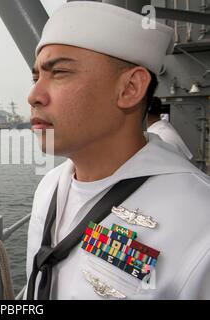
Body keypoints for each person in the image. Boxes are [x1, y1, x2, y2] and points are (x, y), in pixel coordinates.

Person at [25, 1, 210, 300]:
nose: (33, 95)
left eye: (59, 72)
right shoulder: (49, 188)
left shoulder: (200, 225)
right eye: (36, 78)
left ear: (130, 89)